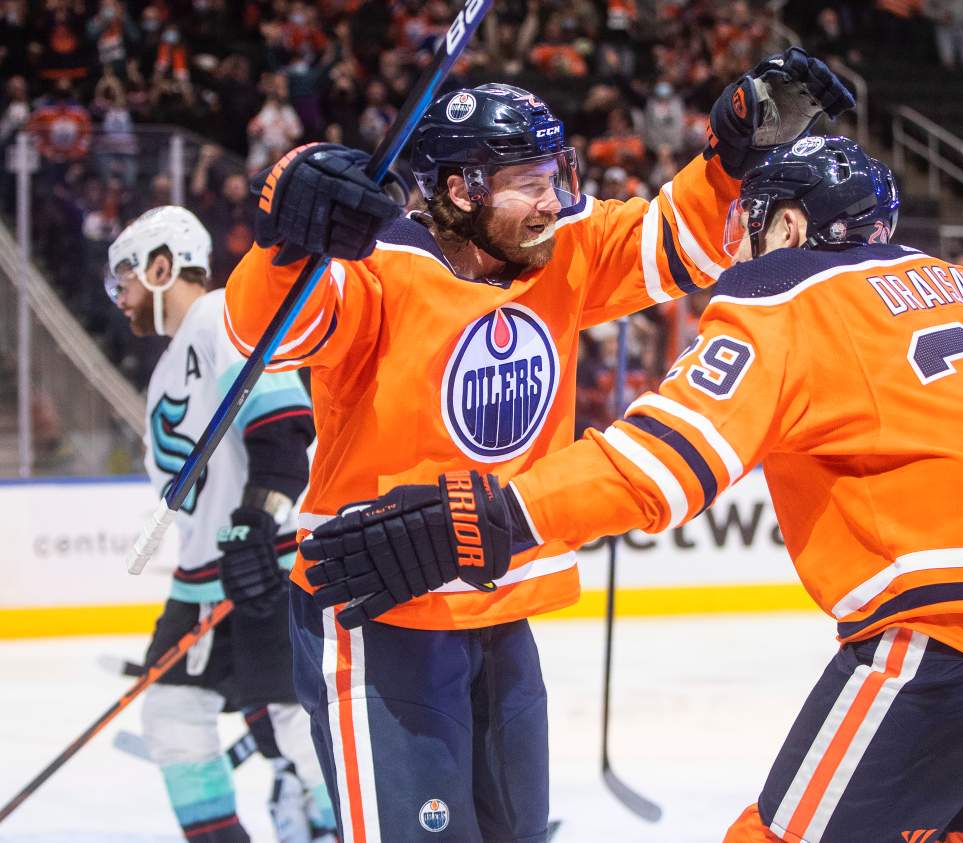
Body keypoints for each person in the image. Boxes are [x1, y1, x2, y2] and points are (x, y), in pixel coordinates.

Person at [301, 137, 963, 843]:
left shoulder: (786, 297)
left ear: (788, 224)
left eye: (751, 226)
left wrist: (488, 517)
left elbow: (660, 462)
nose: (739, 249)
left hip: (956, 638)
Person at [223, 51, 854, 843]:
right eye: (531, 181)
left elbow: (677, 239)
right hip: (379, 612)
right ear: (463, 190)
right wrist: (285, 242)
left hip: (502, 609)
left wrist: (730, 161)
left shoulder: (562, 249)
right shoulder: (375, 268)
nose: (555, 199)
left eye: (558, 173)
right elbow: (265, 331)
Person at [106, 206, 334, 843]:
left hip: (266, 561)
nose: (118, 295)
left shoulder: (224, 316)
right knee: (173, 716)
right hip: (204, 577)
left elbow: (284, 429)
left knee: (298, 727)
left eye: (123, 278)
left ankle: (356, 822)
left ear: (161, 268)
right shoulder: (167, 365)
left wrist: (254, 524)